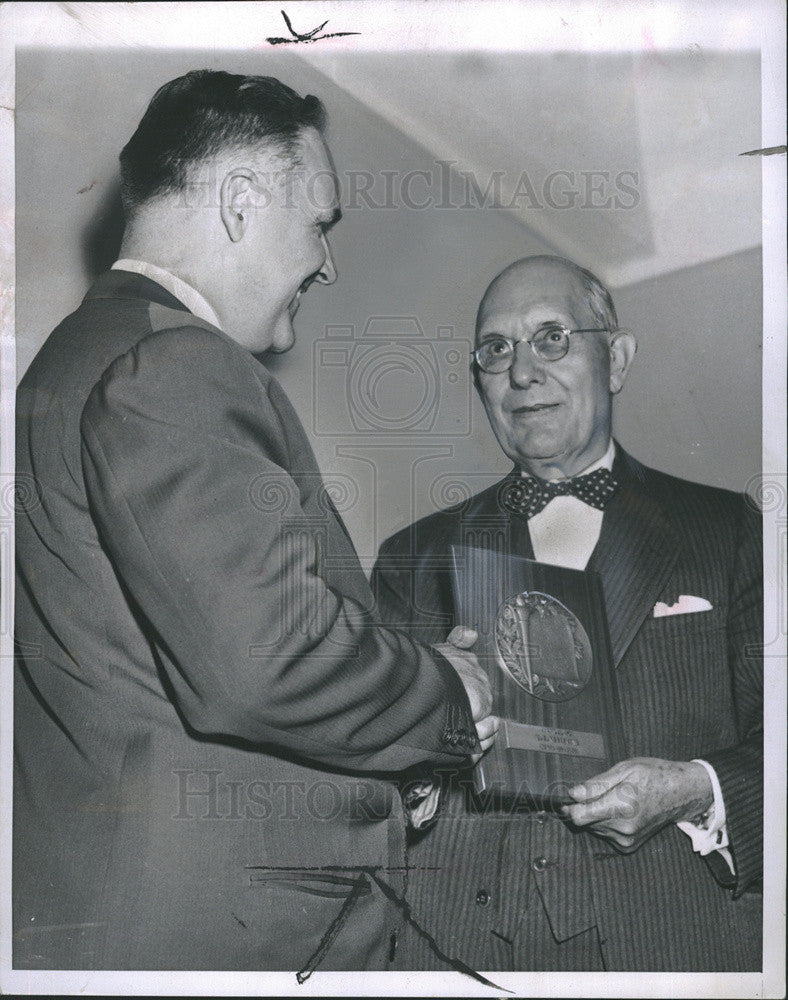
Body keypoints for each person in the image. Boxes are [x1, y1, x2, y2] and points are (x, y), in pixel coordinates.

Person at [13, 70, 497, 973]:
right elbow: (266, 662)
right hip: (219, 938)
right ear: (240, 202)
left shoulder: (70, 363)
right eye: (320, 222)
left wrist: (388, 771)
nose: (328, 261)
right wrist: (452, 693)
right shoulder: (175, 363)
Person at [372, 255, 762, 971]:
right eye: (497, 350)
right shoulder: (413, 556)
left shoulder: (732, 530)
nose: (522, 373)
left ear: (615, 359)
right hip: (456, 946)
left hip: (669, 944)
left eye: (552, 338)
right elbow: (365, 779)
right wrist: (424, 754)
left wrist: (694, 790)